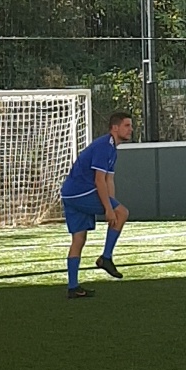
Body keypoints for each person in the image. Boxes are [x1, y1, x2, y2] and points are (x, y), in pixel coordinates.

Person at [60, 109, 134, 297]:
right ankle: (106, 258)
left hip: (69, 195)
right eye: (127, 125)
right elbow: (99, 180)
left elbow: (109, 180)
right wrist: (110, 209)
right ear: (115, 128)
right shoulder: (104, 146)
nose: (130, 129)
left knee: (79, 239)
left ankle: (73, 287)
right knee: (123, 213)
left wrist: (112, 204)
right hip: (80, 192)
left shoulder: (111, 149)